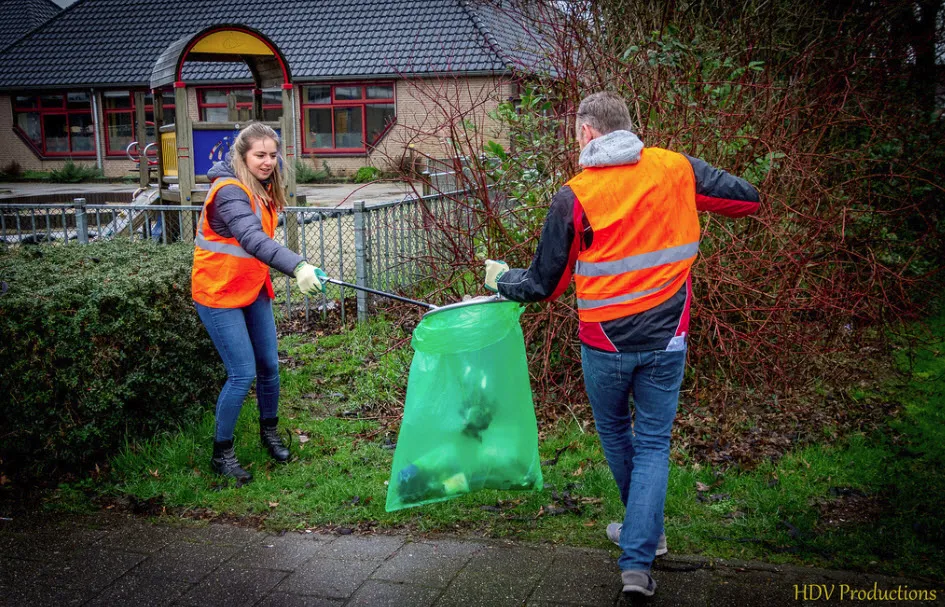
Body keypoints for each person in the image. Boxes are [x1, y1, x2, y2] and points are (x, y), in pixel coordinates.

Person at [483, 92, 760, 596]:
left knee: (616, 432)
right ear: (627, 128)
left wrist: (503, 282)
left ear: (587, 133)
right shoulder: (674, 168)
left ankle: (641, 543)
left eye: (575, 134)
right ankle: (639, 554)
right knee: (654, 443)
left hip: (604, 341)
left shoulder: (576, 195)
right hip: (668, 333)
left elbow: (546, 283)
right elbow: (746, 198)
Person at [192, 122, 326, 484]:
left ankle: (269, 432)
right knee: (242, 374)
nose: (268, 162)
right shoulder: (229, 191)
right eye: (259, 155)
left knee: (269, 365)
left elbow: (257, 247)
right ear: (242, 156)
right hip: (219, 293)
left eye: (272, 155)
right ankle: (222, 453)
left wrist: (299, 267)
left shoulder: (262, 187)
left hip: (250, 289)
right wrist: (297, 265)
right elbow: (251, 238)